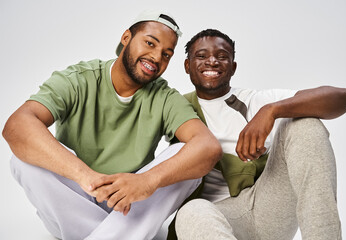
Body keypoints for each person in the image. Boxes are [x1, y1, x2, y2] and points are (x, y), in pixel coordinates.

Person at [2, 12, 222, 240]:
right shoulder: (79, 79)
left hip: (130, 204)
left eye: (166, 54)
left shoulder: (164, 97)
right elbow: (17, 125)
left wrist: (147, 181)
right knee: (23, 159)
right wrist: (87, 177)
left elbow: (208, 147)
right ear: (126, 37)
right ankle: (125, 235)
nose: (156, 57)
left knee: (186, 157)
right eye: (150, 43)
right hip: (75, 199)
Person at [174, 29, 346, 240]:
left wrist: (271, 111)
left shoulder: (254, 101)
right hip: (217, 220)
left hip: (268, 206)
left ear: (233, 67)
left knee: (305, 122)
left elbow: (345, 98)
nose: (212, 61)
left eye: (222, 56)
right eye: (202, 56)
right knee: (191, 210)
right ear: (187, 66)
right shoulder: (177, 107)